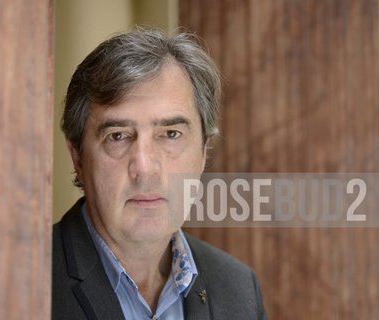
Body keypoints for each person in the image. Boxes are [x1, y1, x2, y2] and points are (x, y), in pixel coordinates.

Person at [52, 27, 267, 320]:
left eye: (171, 134)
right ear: (77, 155)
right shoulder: (23, 278)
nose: (145, 168)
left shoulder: (238, 290)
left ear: (203, 152)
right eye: (117, 136)